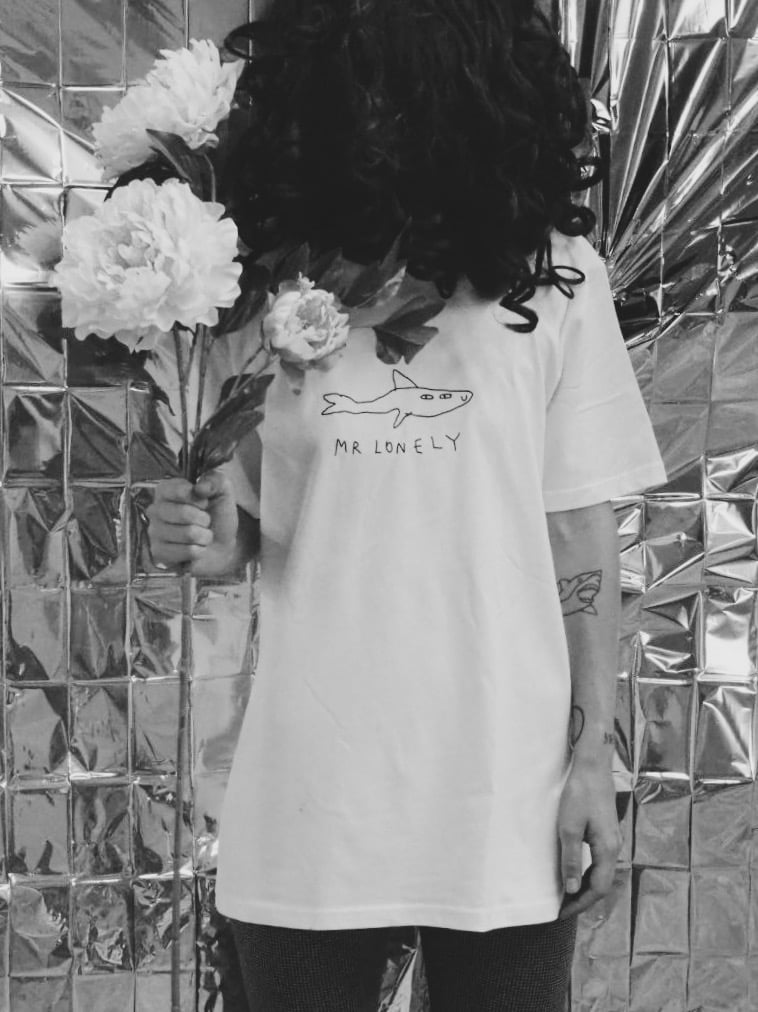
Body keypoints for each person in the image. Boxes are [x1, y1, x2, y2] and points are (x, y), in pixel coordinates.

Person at [147, 2, 666, 1009]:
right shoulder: (258, 284)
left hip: (504, 791)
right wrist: (199, 533)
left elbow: (578, 536)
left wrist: (589, 759)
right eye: (360, 84)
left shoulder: (558, 279)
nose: (382, 112)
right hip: (309, 788)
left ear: (481, 89)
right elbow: (245, 527)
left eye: (404, 83)